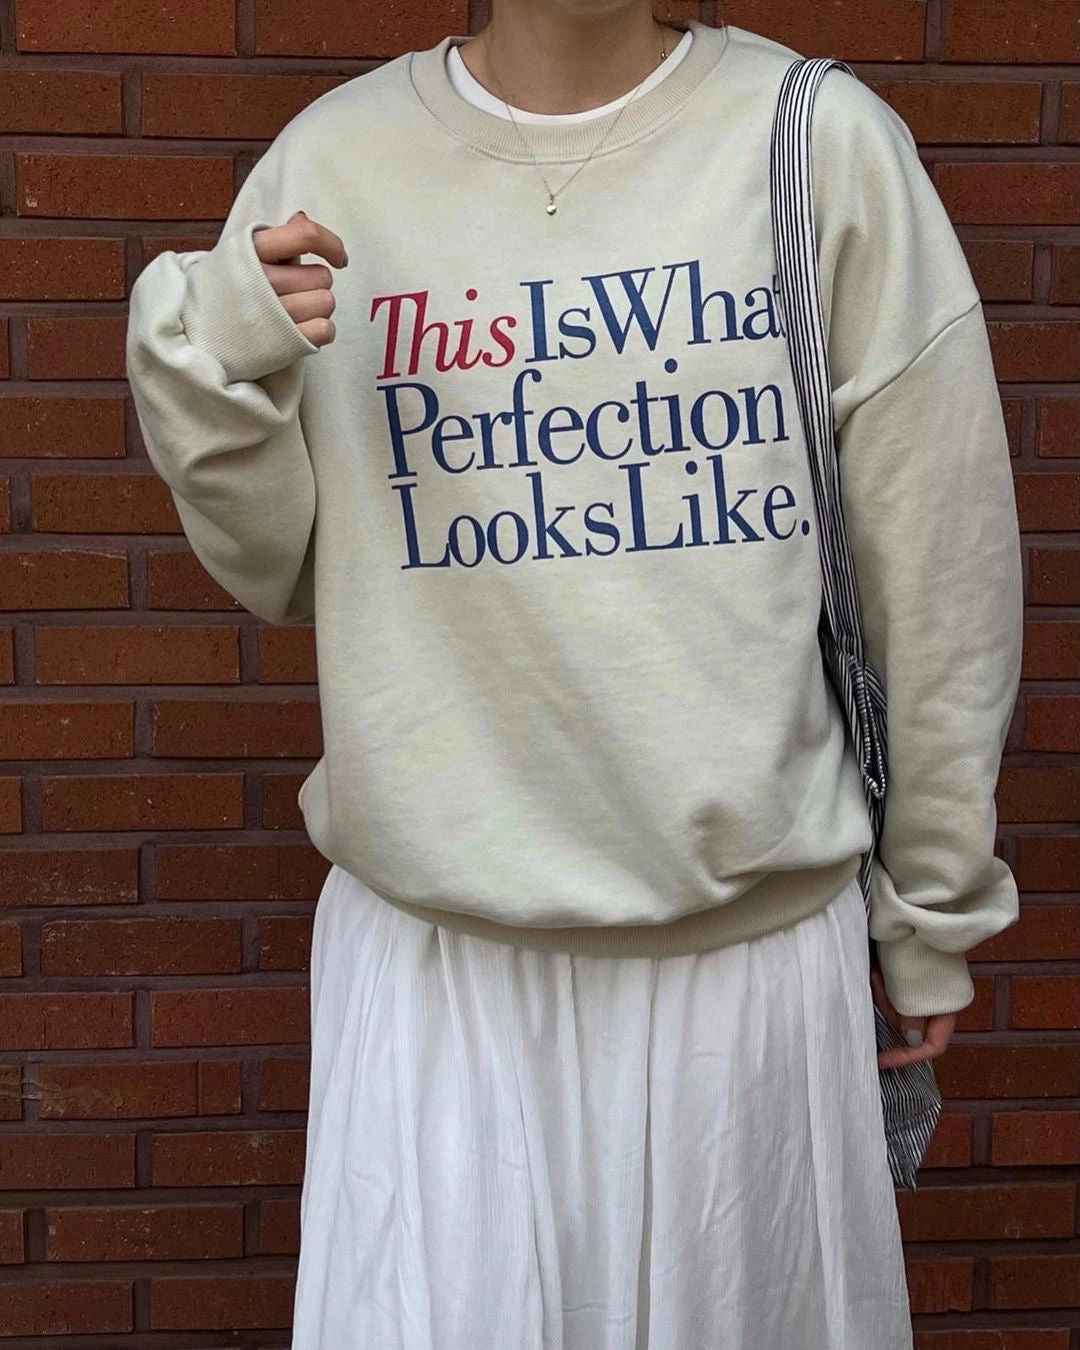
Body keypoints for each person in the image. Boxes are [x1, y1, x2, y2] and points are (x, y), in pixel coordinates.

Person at [124, 4, 1024, 1347]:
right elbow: (284, 566)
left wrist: (931, 911)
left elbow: (941, 566)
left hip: (739, 974)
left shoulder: (816, 143)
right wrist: (213, 373)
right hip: (442, 980)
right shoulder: (337, 162)